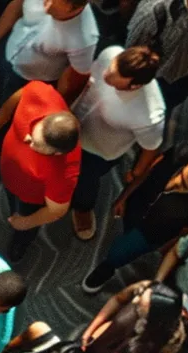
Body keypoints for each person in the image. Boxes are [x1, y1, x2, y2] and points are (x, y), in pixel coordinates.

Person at [81, 145, 188, 294]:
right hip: (139, 203)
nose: (175, 183)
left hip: (154, 232)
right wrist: (124, 196)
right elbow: (148, 170)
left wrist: (169, 246)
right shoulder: (180, 155)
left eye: (185, 187)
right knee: (126, 228)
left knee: (118, 253)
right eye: (181, 176)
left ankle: (106, 268)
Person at [0, 80, 80, 261]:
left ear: (57, 153)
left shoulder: (64, 173)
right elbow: (27, 89)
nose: (28, 139)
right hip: (6, 159)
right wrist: (4, 112)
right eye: (34, 134)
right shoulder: (44, 95)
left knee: (23, 216)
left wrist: (25, 222)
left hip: (26, 194)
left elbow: (56, 210)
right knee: (1, 154)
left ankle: (22, 239)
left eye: (37, 146)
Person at [66, 47, 168, 241]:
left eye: (113, 78)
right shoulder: (111, 53)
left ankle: (83, 208)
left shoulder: (150, 115)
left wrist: (137, 171)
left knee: (85, 182)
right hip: (73, 119)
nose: (106, 75)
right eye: (110, 69)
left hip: (98, 150)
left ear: (134, 86)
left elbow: (151, 147)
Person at [0, 0, 95, 127]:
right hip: (9, 48)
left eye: (54, 4)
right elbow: (16, 6)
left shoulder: (85, 40)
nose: (45, 5)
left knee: (13, 114)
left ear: (74, 8)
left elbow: (74, 78)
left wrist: (50, 108)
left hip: (32, 81)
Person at [80, 280, 186, 353]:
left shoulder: (173, 338)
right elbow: (117, 299)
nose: (137, 301)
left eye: (142, 307)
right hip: (112, 333)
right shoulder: (143, 289)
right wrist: (89, 332)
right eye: (140, 299)